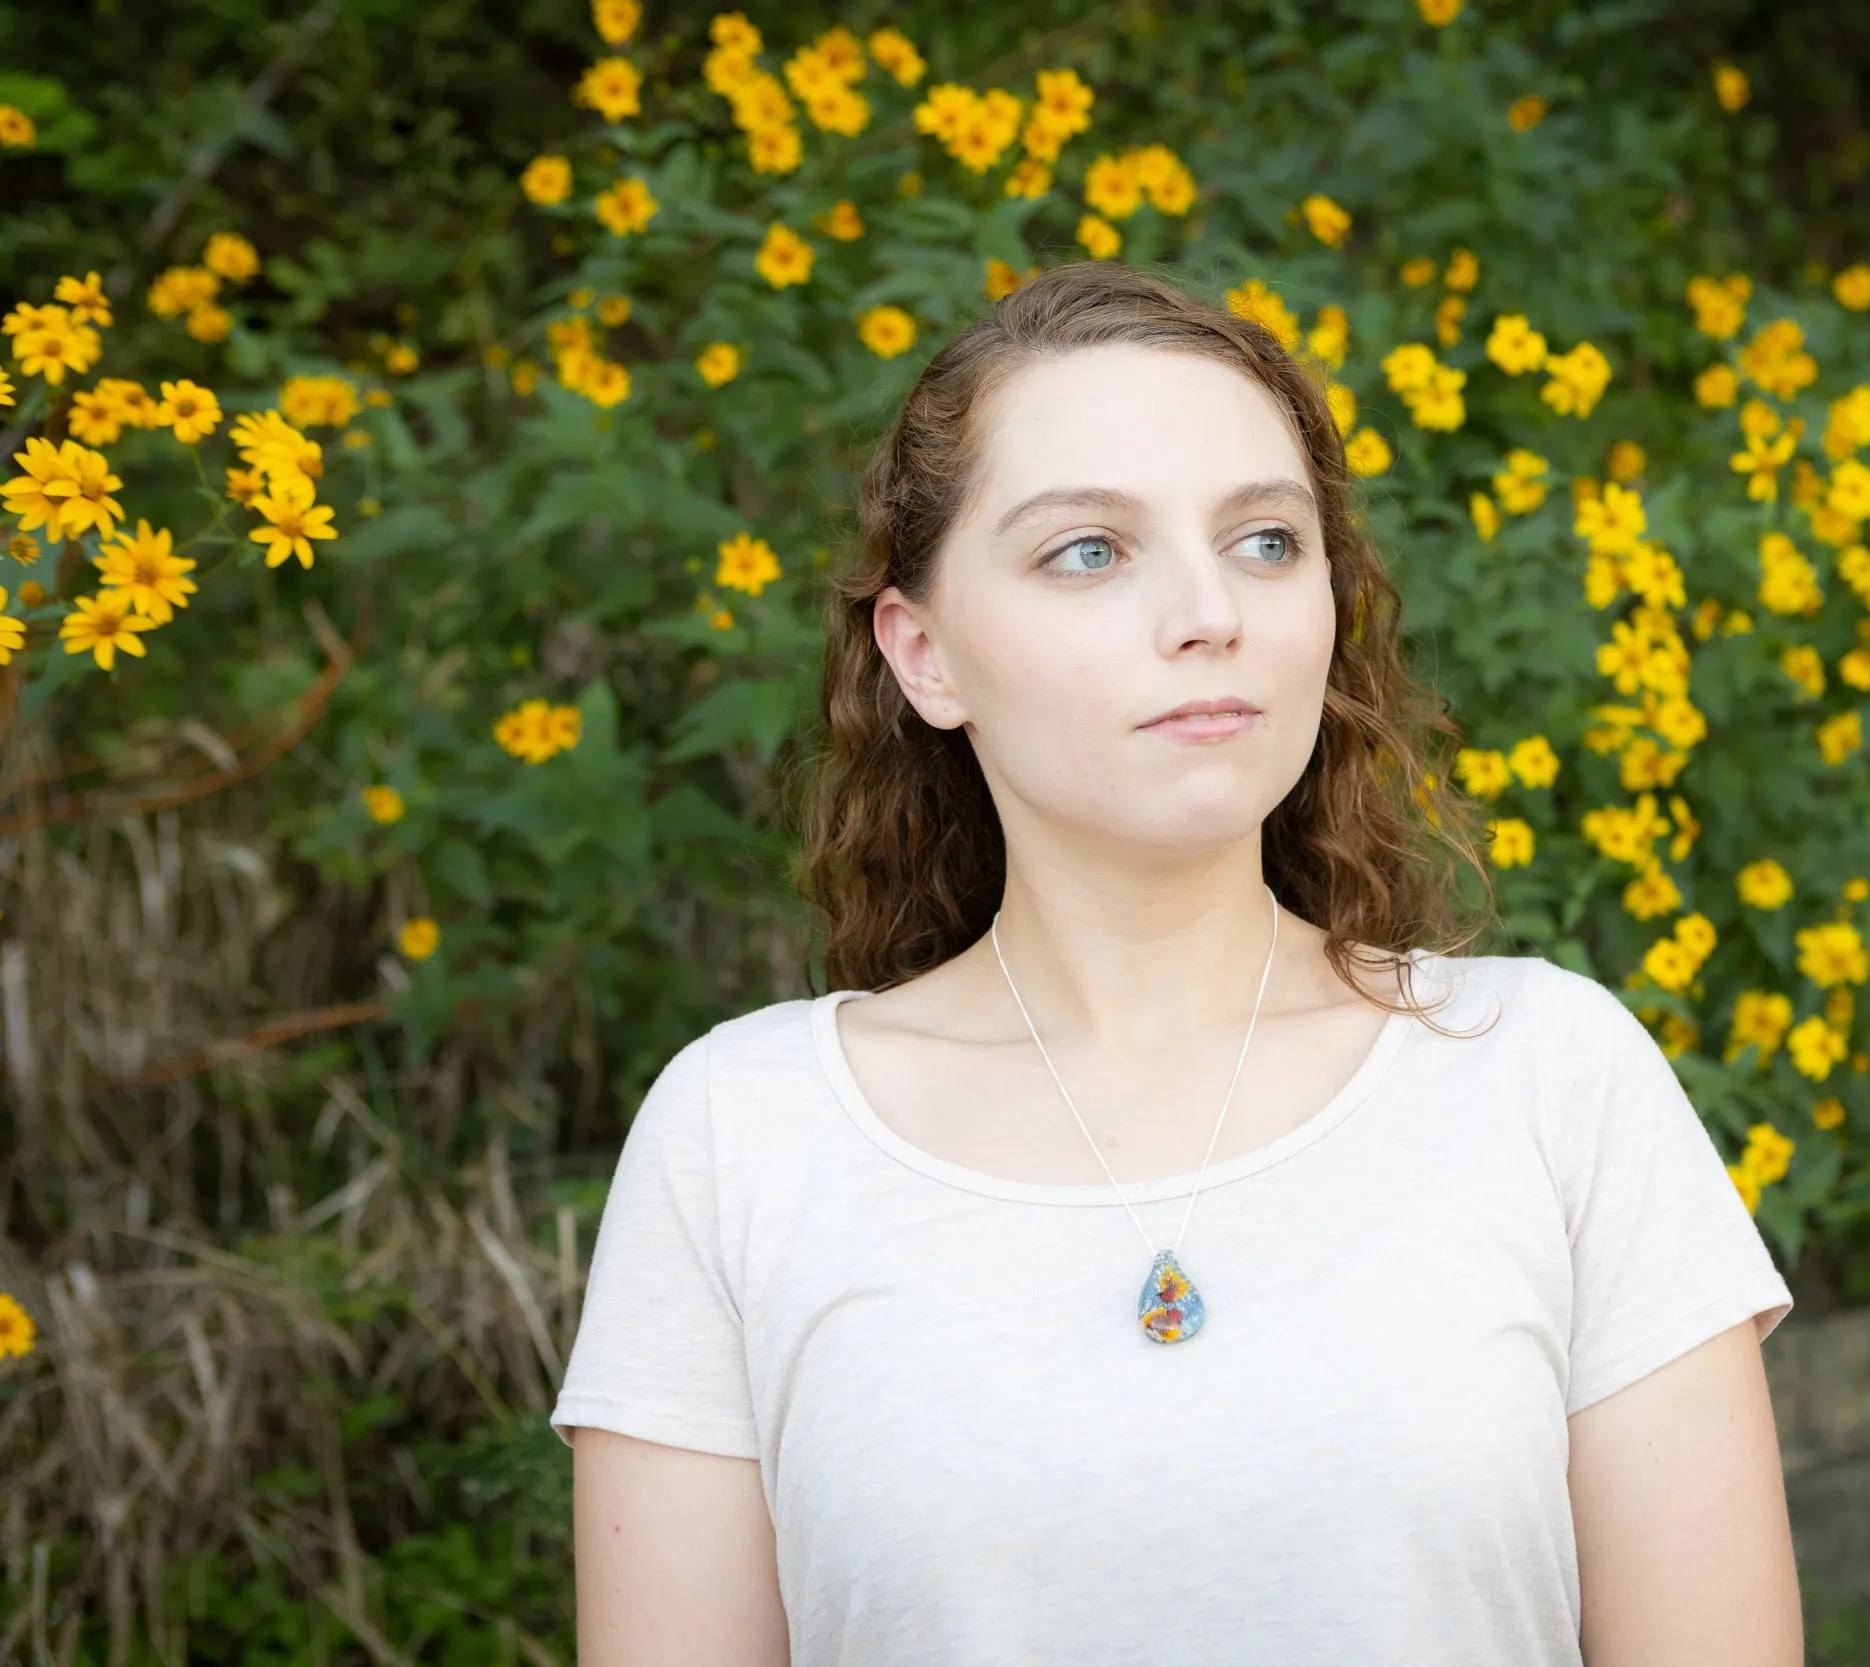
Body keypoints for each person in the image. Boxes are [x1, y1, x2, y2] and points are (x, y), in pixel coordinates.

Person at [554, 261, 1801, 1666]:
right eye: (1089, 549)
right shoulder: (743, 1137)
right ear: (925, 655)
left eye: (1265, 540)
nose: (1211, 610)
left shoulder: (1553, 1082)